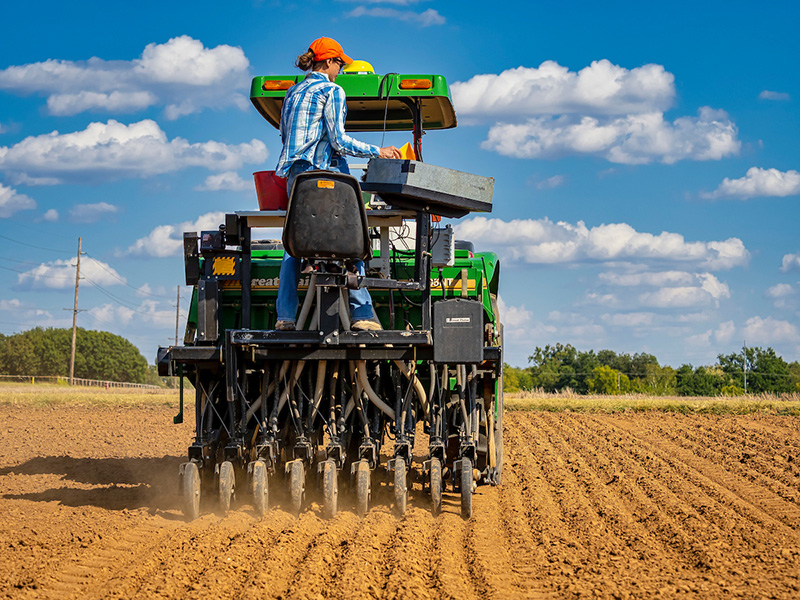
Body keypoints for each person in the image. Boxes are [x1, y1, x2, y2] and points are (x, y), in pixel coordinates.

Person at [273, 37, 401, 331]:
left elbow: (285, 135)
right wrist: (378, 151)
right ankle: (362, 315)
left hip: (296, 178)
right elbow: (339, 141)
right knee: (351, 239)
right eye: (340, 64)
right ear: (329, 61)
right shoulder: (332, 90)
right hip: (323, 177)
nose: (340, 70)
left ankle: (285, 317)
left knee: (294, 243)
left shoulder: (292, 92)